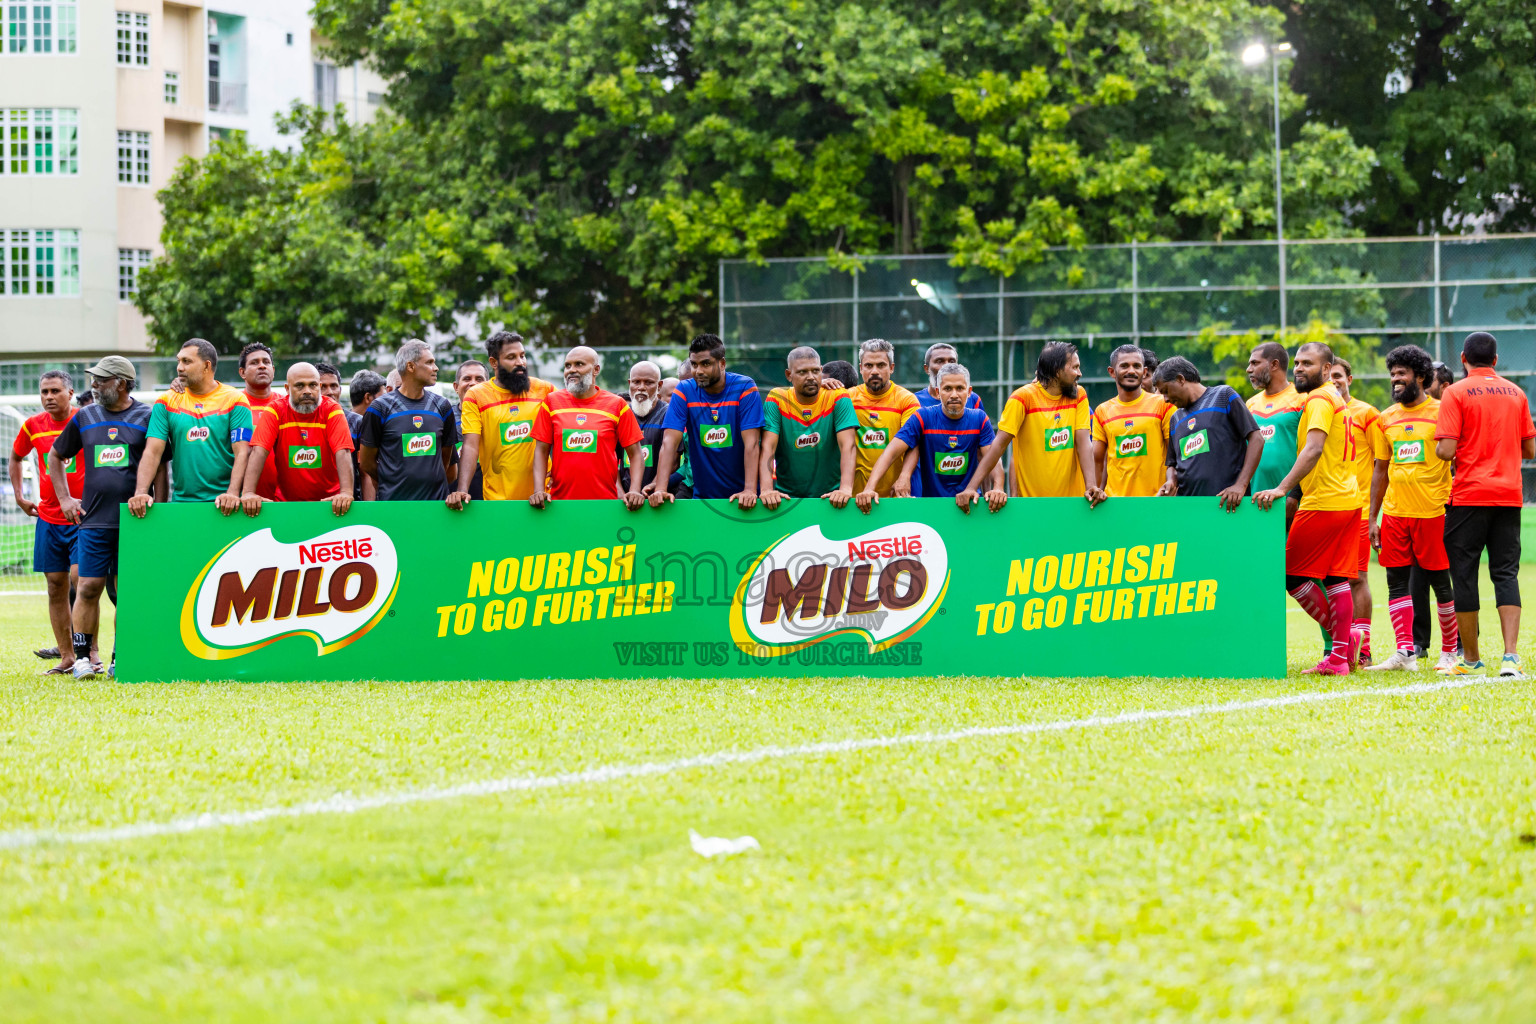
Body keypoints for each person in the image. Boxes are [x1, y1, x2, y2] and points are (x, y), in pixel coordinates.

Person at [48, 357, 161, 679]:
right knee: (87, 587)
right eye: (93, 380)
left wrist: (160, 506)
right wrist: (65, 498)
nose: (93, 386)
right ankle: (83, 658)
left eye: (101, 380)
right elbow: (56, 456)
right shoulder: (84, 416)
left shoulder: (147, 415)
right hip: (94, 521)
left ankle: (120, 658)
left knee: (126, 592)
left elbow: (161, 465)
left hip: (135, 522)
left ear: (122, 383)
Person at [1253, 342, 1360, 675]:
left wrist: (1282, 489)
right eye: (1297, 363)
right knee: (1336, 580)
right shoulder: (1335, 398)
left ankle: (1341, 643)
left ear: (1327, 369)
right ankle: (1340, 659)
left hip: (1323, 501)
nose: (1299, 368)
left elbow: (1313, 450)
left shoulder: (1317, 400)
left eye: (1308, 364)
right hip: (1347, 499)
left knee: (1291, 573)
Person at [1434, 331, 1536, 677]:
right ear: (1495, 359)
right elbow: (1530, 450)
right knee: (1506, 572)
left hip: (1468, 497)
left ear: (1463, 358)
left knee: (1464, 574)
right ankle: (1510, 657)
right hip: (1508, 496)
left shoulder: (1455, 392)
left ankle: (1472, 658)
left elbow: (1446, 450)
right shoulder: (1516, 393)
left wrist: (1449, 447)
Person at [1365, 344, 1458, 672]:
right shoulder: (1385, 418)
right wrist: (1373, 516)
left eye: (1401, 374)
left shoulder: (1443, 412)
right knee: (1396, 581)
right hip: (1394, 514)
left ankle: (1450, 652)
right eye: (1392, 374)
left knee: (1439, 583)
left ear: (1421, 376)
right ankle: (1405, 653)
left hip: (1432, 513)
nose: (1395, 380)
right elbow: (1380, 469)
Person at [9, 370, 86, 674]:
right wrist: (19, 495)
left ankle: (89, 652)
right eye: (44, 392)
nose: (49, 397)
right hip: (48, 518)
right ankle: (67, 656)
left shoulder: (87, 420)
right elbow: (15, 458)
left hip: (84, 516)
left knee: (82, 581)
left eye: (55, 391)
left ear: (70, 393)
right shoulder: (32, 426)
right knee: (55, 586)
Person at [965, 342, 1104, 505]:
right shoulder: (1022, 398)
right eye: (1074, 367)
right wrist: (971, 488)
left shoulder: (1079, 394)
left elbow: (1083, 442)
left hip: (1073, 504)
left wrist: (1091, 486)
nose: (1079, 373)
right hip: (1032, 505)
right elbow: (998, 446)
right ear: (1057, 371)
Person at [131, 338, 251, 516]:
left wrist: (232, 493)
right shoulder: (166, 401)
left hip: (227, 507)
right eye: (179, 361)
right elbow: (153, 452)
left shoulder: (235, 400)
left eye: (187, 361)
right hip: (182, 505)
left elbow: (242, 452)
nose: (179, 367)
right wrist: (141, 492)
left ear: (206, 366)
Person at [860, 363, 1000, 512]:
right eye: (947, 389)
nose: (954, 394)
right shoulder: (923, 417)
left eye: (959, 388)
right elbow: (890, 452)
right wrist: (869, 488)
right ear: (938, 392)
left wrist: (997, 488)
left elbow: (992, 458)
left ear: (969, 391)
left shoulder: (979, 419)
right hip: (932, 509)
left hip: (971, 505)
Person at [651, 334, 763, 507]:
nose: (698, 371)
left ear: (722, 363)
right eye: (694, 364)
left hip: (744, 500)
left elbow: (752, 444)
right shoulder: (684, 390)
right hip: (703, 501)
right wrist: (660, 488)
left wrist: (749, 490)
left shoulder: (745, 387)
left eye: (706, 364)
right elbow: (669, 443)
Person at [447, 331, 554, 509]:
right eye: (511, 357)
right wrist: (462, 490)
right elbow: (471, 445)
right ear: (494, 362)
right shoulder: (477, 395)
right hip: (498, 501)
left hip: (543, 497)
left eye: (522, 355)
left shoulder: (545, 389)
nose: (520, 362)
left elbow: (560, 431)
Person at [529, 346, 645, 508]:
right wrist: (538, 490)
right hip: (558, 505)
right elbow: (541, 450)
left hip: (605, 505)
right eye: (568, 366)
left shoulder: (617, 404)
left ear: (596, 369)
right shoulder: (551, 402)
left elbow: (636, 454)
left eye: (579, 364)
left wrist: (634, 490)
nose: (572, 370)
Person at [240, 362, 355, 516]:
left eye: (312, 385)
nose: (307, 391)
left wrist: (346, 492)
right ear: (287, 389)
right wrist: (248, 492)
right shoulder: (275, 410)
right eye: (300, 386)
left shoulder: (332, 409)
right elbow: (258, 452)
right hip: (286, 505)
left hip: (330, 505)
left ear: (319, 387)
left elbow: (343, 451)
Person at [1151, 357, 1263, 508]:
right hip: (1189, 508)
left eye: (1166, 391)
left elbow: (1257, 438)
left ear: (1180, 379)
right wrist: (1171, 481)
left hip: (1227, 504)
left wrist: (1240, 485)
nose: (1165, 399)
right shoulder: (1175, 418)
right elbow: (1172, 464)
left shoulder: (1223, 396)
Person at [358, 339, 458, 501]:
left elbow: (445, 459)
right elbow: (367, 462)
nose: (436, 368)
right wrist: (392, 482)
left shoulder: (442, 406)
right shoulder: (380, 408)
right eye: (430, 362)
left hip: (434, 506)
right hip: (394, 506)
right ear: (411, 366)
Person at [759, 347, 857, 509]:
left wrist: (845, 489)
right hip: (786, 501)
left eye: (815, 371)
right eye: (802, 372)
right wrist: (767, 490)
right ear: (789, 375)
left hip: (831, 499)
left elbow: (848, 446)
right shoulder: (776, 398)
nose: (811, 377)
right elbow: (767, 447)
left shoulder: (838, 396)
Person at [1328, 357, 1380, 665]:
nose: (1334, 380)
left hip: (1357, 512)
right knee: (1332, 579)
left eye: (1339, 375)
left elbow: (1381, 464)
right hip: (1328, 510)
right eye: (1329, 375)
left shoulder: (1366, 413)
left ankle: (1363, 650)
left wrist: (1373, 514)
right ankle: (1339, 646)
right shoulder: (1318, 409)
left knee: (1358, 578)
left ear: (1350, 378)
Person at [1092, 344, 1175, 497]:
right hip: (1115, 506)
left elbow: (1175, 454)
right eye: (1124, 366)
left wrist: (1172, 485)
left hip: (1156, 501)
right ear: (1112, 372)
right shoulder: (1102, 411)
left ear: (1144, 372)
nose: (1131, 371)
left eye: (1136, 366)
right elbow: (1100, 463)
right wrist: (1097, 491)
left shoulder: (1163, 405)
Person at [847, 339, 920, 498]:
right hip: (853, 498)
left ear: (891, 368)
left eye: (881, 365)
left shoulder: (906, 400)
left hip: (894, 497)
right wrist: (823, 384)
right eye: (868, 366)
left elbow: (914, 444)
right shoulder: (847, 398)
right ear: (860, 368)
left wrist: (904, 476)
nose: (874, 371)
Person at [1245, 342, 1305, 525]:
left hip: (1293, 502)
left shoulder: (1303, 399)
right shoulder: (1250, 404)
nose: (1249, 369)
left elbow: (1311, 451)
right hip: (1256, 501)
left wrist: (1294, 495)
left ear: (1274, 365)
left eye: (1255, 363)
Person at [619, 359, 679, 495]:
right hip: (624, 501)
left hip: (659, 499)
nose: (641, 387)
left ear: (659, 386)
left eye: (648, 382)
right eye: (636, 382)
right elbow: (611, 460)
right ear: (629, 384)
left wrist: (655, 487)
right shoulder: (621, 414)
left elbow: (674, 460)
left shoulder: (670, 413)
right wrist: (621, 494)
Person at [239, 342, 282, 500]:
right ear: (242, 372)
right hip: (242, 501)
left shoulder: (286, 405)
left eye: (266, 362)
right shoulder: (231, 405)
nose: (262, 366)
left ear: (273, 370)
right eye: (254, 363)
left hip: (284, 501)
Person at [452, 359, 489, 501]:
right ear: (456, 386)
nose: (473, 383)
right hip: (455, 502)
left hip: (492, 501)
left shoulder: (499, 416)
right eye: (467, 378)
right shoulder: (445, 418)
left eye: (479, 379)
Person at [347, 370, 386, 501]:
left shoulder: (384, 426)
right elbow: (365, 471)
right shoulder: (345, 426)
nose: (387, 403)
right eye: (383, 397)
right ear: (368, 397)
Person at [917, 343, 986, 415]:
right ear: (927, 369)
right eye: (939, 361)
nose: (947, 365)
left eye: (952, 361)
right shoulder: (914, 401)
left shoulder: (973, 399)